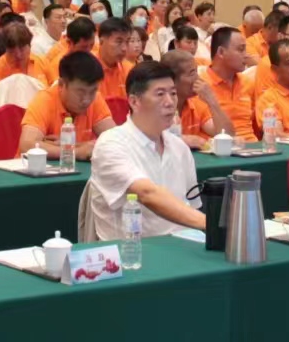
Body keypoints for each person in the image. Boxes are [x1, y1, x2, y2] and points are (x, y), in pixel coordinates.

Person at [87, 60, 205, 240]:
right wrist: (209, 224)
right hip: (132, 249)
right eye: (160, 94)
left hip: (184, 243)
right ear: (134, 101)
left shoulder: (179, 147)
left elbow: (192, 206)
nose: (170, 102)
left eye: (173, 93)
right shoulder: (110, 144)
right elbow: (146, 194)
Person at [19, 51, 116, 158]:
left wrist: (72, 146)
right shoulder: (44, 101)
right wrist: (75, 152)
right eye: (80, 92)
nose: (87, 100)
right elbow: (27, 145)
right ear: (62, 84)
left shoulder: (95, 98)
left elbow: (116, 140)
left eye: (93, 91)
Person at [160, 49, 230, 146]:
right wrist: (184, 140)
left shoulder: (196, 103)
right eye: (192, 73)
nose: (198, 78)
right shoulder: (157, 106)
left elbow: (226, 135)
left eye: (197, 72)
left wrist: (212, 101)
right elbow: (155, 139)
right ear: (172, 80)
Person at [202, 26, 254, 134]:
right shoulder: (201, 86)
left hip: (253, 142)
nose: (246, 55)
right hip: (223, 142)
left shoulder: (248, 82)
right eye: (241, 49)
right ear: (221, 52)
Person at [92, 17, 134, 104]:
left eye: (127, 42)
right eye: (119, 41)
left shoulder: (130, 70)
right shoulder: (85, 67)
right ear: (101, 41)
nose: (124, 48)